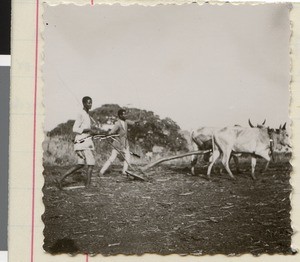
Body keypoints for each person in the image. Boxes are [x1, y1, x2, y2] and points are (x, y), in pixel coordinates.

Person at [57, 96, 98, 189]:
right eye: (88, 103)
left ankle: (61, 179)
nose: (90, 104)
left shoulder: (87, 115)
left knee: (80, 164)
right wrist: (87, 130)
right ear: (83, 103)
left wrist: (92, 132)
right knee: (91, 164)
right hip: (82, 141)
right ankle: (88, 185)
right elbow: (75, 129)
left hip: (85, 141)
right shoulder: (81, 114)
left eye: (91, 102)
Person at [99, 109, 138, 176]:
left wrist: (136, 122)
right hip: (118, 144)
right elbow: (112, 132)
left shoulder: (125, 121)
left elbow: (132, 122)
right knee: (112, 158)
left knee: (127, 158)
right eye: (124, 114)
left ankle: (124, 172)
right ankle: (101, 172)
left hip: (125, 144)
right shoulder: (117, 124)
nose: (125, 115)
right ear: (120, 115)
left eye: (125, 114)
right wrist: (107, 135)